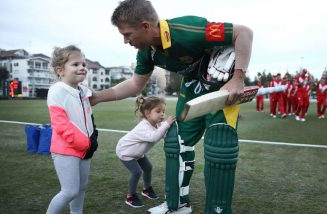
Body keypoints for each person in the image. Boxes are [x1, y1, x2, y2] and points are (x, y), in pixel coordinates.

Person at [91, 0, 253, 213]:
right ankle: (177, 204)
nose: (125, 41)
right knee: (177, 142)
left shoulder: (188, 29)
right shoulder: (146, 52)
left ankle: (217, 210)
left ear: (146, 26)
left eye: (127, 34)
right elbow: (135, 84)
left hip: (221, 86)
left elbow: (244, 33)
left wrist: (238, 78)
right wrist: (98, 97)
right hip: (192, 86)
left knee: (219, 145)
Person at [46, 45, 98, 214]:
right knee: (69, 191)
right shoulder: (57, 90)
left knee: (81, 187)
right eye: (75, 64)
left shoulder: (83, 90)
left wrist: (92, 138)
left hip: (85, 148)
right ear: (60, 70)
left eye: (84, 64)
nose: (82, 67)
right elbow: (61, 125)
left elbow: (88, 116)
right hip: (66, 150)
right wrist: (84, 143)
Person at [116, 96, 176, 208]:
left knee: (148, 167)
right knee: (137, 172)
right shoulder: (143, 126)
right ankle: (130, 196)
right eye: (158, 111)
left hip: (137, 152)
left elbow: (162, 132)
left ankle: (146, 189)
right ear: (148, 113)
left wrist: (168, 126)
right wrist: (167, 124)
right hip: (125, 151)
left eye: (163, 111)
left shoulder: (156, 124)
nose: (162, 114)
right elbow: (154, 137)